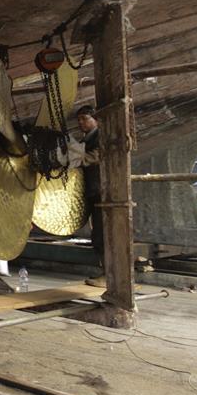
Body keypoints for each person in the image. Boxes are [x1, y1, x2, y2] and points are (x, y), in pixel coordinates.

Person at [75, 105, 105, 287]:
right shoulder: (87, 138)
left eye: (85, 118)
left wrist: (74, 159)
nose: (81, 123)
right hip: (94, 191)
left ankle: (110, 275)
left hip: (102, 190)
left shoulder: (100, 136)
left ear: (96, 119)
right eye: (79, 120)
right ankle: (106, 272)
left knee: (103, 233)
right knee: (98, 233)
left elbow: (96, 156)